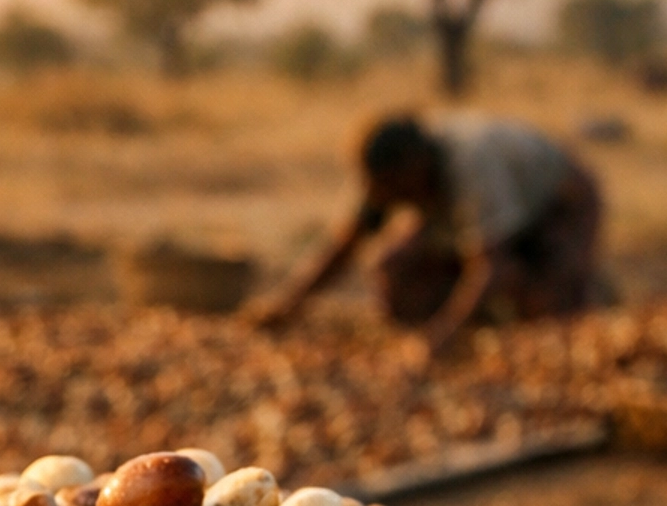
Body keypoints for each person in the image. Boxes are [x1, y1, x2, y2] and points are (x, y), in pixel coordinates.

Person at [251, 110, 605, 351]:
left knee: (548, 309)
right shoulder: (386, 176)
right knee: (394, 269)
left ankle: (577, 289)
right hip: (469, 221)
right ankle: (482, 317)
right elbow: (345, 245)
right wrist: (287, 305)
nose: (389, 199)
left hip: (555, 204)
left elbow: (489, 263)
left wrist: (441, 335)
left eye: (394, 188)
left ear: (414, 168)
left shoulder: (472, 164)